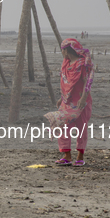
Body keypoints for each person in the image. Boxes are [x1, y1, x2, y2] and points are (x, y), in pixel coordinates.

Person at [45, 38, 94, 166]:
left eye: (63, 50)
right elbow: (66, 82)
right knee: (62, 126)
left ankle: (80, 156)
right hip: (67, 101)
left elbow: (87, 81)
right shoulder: (66, 63)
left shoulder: (82, 64)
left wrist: (83, 98)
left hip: (80, 102)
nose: (62, 52)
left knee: (81, 128)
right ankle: (67, 156)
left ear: (67, 50)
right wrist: (62, 98)